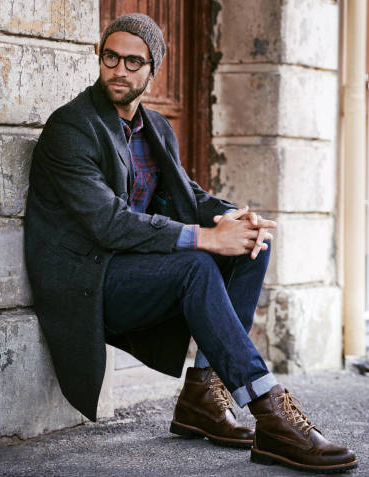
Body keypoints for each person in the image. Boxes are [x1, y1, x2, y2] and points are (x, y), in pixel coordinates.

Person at [24, 13, 357, 473]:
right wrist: (204, 238)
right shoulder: (73, 128)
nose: (120, 70)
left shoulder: (155, 127)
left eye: (133, 62)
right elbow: (107, 223)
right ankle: (268, 408)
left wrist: (234, 218)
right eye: (111, 57)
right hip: (88, 282)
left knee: (249, 243)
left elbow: (187, 195)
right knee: (196, 264)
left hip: (138, 272)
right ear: (99, 59)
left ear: (152, 70)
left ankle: (203, 393)